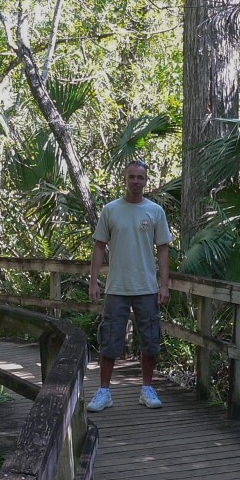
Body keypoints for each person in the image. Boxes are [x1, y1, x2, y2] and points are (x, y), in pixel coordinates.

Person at [87, 160, 171, 411]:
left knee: (150, 339)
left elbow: (163, 249)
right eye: (132, 177)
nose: (136, 181)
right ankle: (104, 392)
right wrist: (94, 281)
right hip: (116, 288)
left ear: (146, 181)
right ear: (125, 178)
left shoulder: (155, 212)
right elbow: (99, 246)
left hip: (146, 287)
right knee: (110, 339)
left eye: (140, 177)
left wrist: (164, 284)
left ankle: (146, 388)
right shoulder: (111, 210)